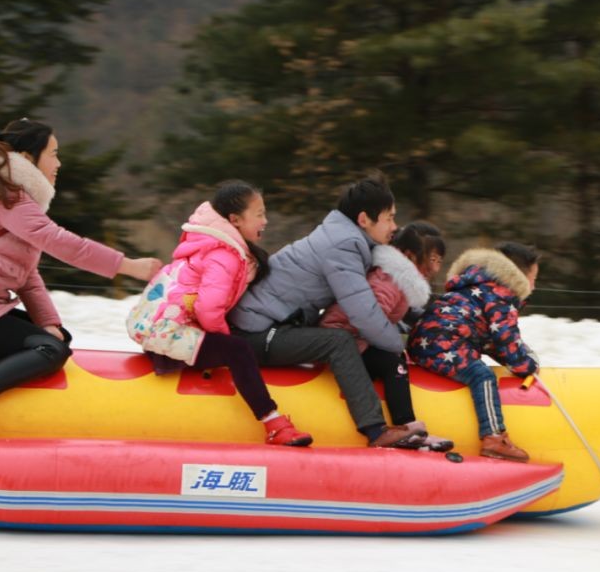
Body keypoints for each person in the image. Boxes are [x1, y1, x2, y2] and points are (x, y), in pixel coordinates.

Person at [0, 119, 162, 439]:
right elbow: (63, 243)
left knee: (54, 341)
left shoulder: (2, 195)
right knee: (49, 351)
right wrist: (131, 267)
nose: (58, 163)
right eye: (53, 153)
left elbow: (27, 275)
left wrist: (48, 322)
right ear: (28, 159)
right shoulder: (5, 197)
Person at [229, 174, 424, 449]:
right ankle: (375, 429)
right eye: (389, 218)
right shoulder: (342, 246)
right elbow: (362, 312)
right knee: (339, 342)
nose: (394, 226)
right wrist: (397, 345)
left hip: (272, 325)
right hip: (255, 333)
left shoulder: (346, 239)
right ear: (364, 219)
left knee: (343, 338)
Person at [126, 180, 312, 446]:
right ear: (235, 220)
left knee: (231, 345)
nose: (265, 221)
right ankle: (273, 423)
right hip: (166, 331)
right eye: (259, 214)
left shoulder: (211, 244)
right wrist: (225, 339)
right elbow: (208, 307)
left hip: (153, 323)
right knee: (237, 349)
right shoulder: (223, 255)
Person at [318, 222, 454, 452]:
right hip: (343, 337)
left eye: (439, 260)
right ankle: (407, 426)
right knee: (393, 364)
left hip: (356, 337)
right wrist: (393, 347)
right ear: (410, 255)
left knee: (392, 358)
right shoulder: (387, 281)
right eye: (432, 259)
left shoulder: (399, 279)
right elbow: (370, 320)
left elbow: (401, 314)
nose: (436, 267)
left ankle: (407, 427)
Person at [407, 242, 541, 463]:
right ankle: (494, 438)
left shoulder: (474, 285)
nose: (533, 287)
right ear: (517, 275)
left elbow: (488, 339)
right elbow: (508, 344)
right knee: (483, 376)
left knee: (475, 364)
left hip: (421, 342)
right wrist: (529, 364)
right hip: (446, 343)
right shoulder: (502, 296)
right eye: (533, 280)